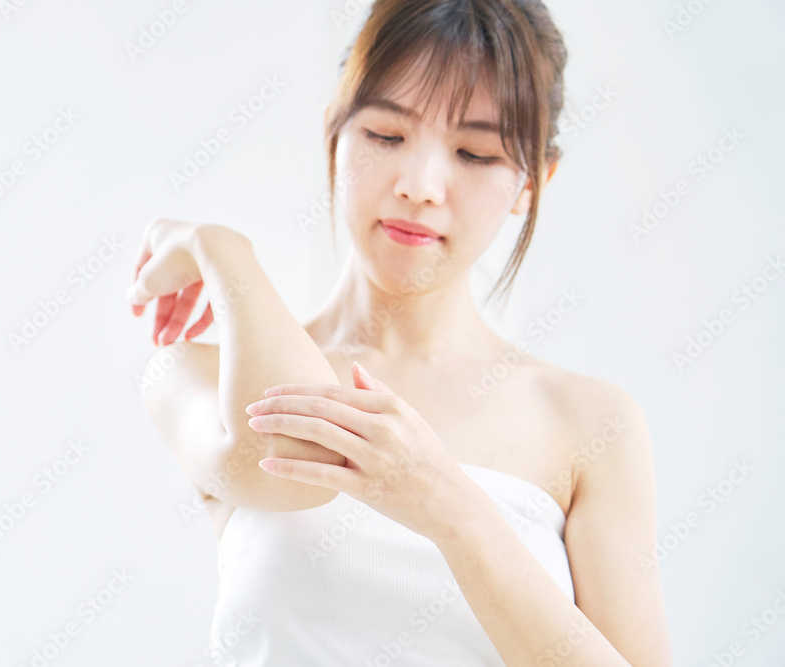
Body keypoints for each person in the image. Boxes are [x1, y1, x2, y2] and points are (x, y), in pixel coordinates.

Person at [129, 0, 673, 664]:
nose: (419, 186)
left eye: (475, 153)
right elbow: (288, 460)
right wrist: (224, 252)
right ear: (334, 135)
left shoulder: (591, 421)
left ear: (532, 183)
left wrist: (449, 508)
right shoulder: (201, 372)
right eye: (387, 135)